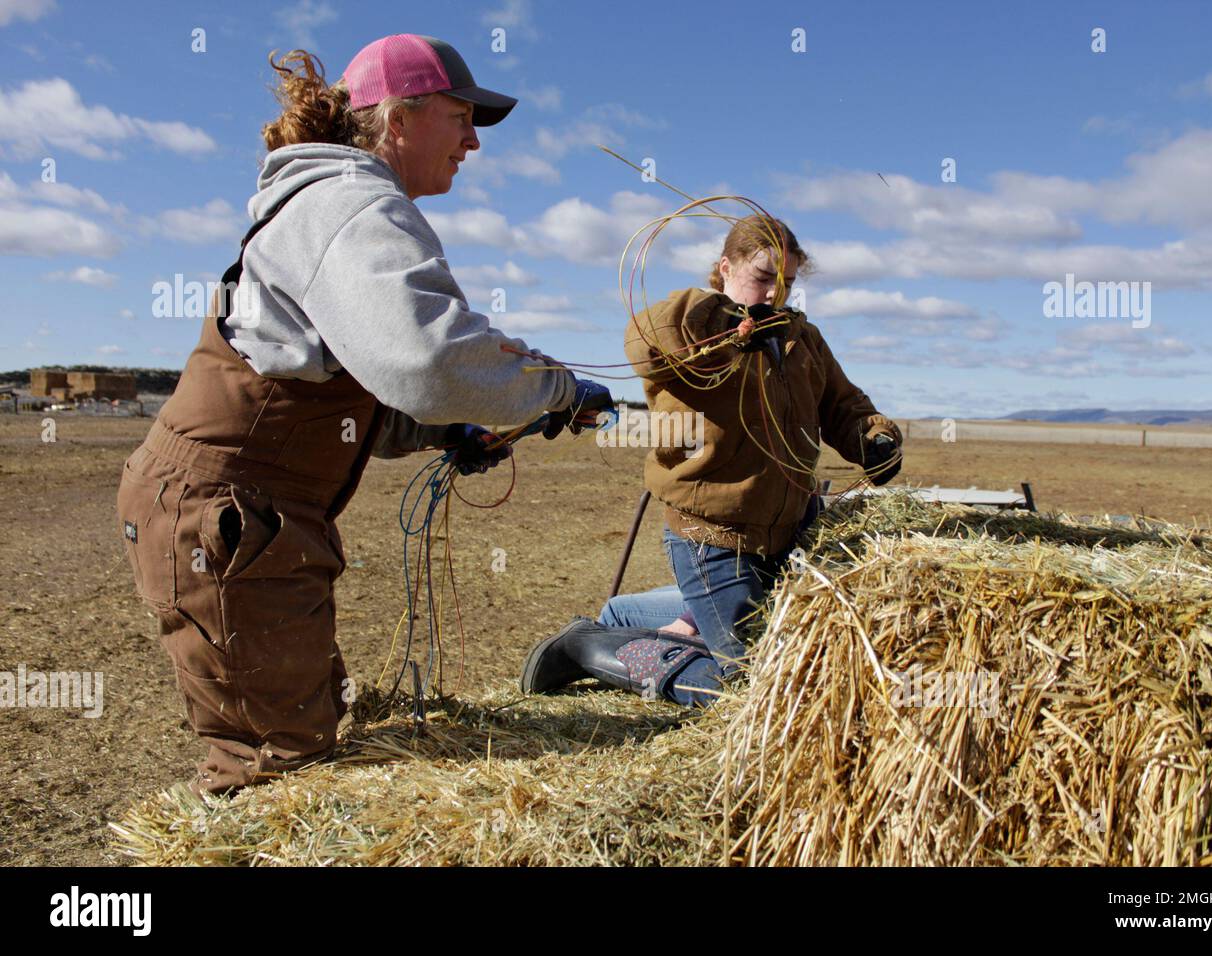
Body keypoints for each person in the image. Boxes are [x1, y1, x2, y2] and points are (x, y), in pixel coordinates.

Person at [116, 34, 610, 795]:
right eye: (462, 116)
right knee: (272, 768)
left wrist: (446, 431)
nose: (474, 140)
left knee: (299, 740)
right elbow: (429, 360)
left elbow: (347, 396)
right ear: (400, 118)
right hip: (227, 513)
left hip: (239, 511)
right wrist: (556, 389)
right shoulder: (353, 201)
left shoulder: (331, 202)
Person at [520, 215, 901, 707]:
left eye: (785, 284)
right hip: (714, 539)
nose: (773, 296)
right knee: (748, 691)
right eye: (763, 278)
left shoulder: (800, 338)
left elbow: (842, 404)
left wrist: (873, 438)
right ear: (726, 266)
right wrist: (724, 321)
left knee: (809, 653)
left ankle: (623, 616)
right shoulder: (696, 329)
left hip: (792, 530)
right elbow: (646, 337)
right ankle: (585, 646)